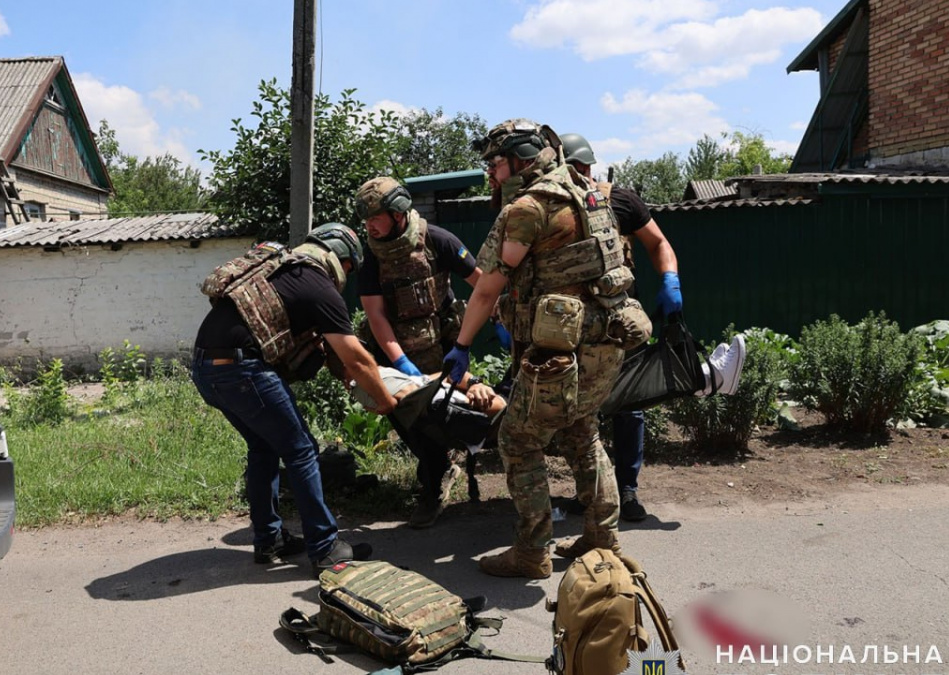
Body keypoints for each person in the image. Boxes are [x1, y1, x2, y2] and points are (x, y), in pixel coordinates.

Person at [444, 119, 653, 578]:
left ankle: (532, 551)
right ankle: (603, 539)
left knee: (517, 439)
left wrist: (462, 344)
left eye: (495, 165)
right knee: (583, 433)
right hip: (608, 342)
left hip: (559, 353)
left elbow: (486, 289)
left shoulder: (529, 207)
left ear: (519, 158)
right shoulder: (591, 193)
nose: (492, 175)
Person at [556, 133, 745, 523]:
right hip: (570, 328)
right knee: (576, 412)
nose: (579, 176)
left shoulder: (618, 200)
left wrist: (670, 281)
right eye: (572, 170)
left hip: (620, 322)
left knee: (630, 405)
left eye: (581, 169)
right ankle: (591, 491)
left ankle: (627, 490)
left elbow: (659, 244)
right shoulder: (549, 208)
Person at [191, 223, 396, 578]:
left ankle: (268, 540)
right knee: (301, 449)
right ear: (341, 257)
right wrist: (386, 401)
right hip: (242, 371)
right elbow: (357, 358)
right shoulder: (317, 282)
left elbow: (334, 355)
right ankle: (325, 547)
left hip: (205, 368)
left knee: (264, 447)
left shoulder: (283, 272)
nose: (346, 276)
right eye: (349, 267)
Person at [355, 177, 483, 528]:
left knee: (449, 417)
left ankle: (442, 470)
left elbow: (482, 284)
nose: (370, 225)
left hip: (443, 349)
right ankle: (435, 477)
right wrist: (399, 361)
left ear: (397, 213)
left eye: (376, 217)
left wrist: (486, 329)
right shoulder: (372, 256)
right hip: (396, 352)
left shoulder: (437, 240)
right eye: (365, 219)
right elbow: (375, 315)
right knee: (407, 420)